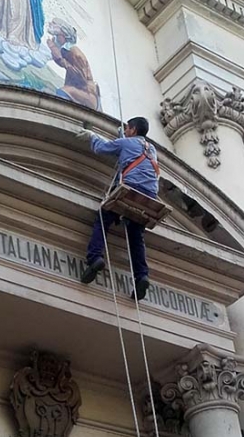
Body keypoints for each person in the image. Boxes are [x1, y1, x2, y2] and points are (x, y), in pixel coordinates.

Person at [77, 117, 160, 301]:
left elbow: (102, 148)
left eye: (127, 128)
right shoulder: (152, 149)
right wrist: (122, 138)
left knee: (103, 217)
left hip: (130, 188)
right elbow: (137, 156)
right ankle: (142, 276)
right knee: (135, 235)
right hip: (149, 197)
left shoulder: (125, 143)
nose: (126, 130)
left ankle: (95, 258)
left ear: (133, 129)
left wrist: (92, 136)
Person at [47, 18, 101, 110]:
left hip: (88, 92)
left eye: (57, 36)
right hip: (82, 90)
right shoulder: (66, 50)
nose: (55, 39)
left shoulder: (74, 53)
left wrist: (60, 59)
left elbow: (81, 78)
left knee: (62, 92)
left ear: (63, 34)